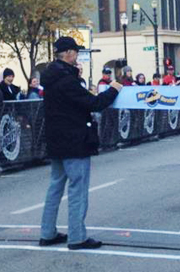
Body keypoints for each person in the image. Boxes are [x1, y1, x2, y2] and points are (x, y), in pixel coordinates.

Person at [39, 36, 122, 250]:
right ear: (68, 53)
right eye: (75, 52)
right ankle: (77, 236)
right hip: (74, 140)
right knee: (78, 188)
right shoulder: (67, 81)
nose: (77, 55)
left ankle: (47, 232)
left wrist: (76, 76)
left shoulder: (52, 77)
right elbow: (94, 103)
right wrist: (114, 89)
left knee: (55, 186)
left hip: (56, 139)